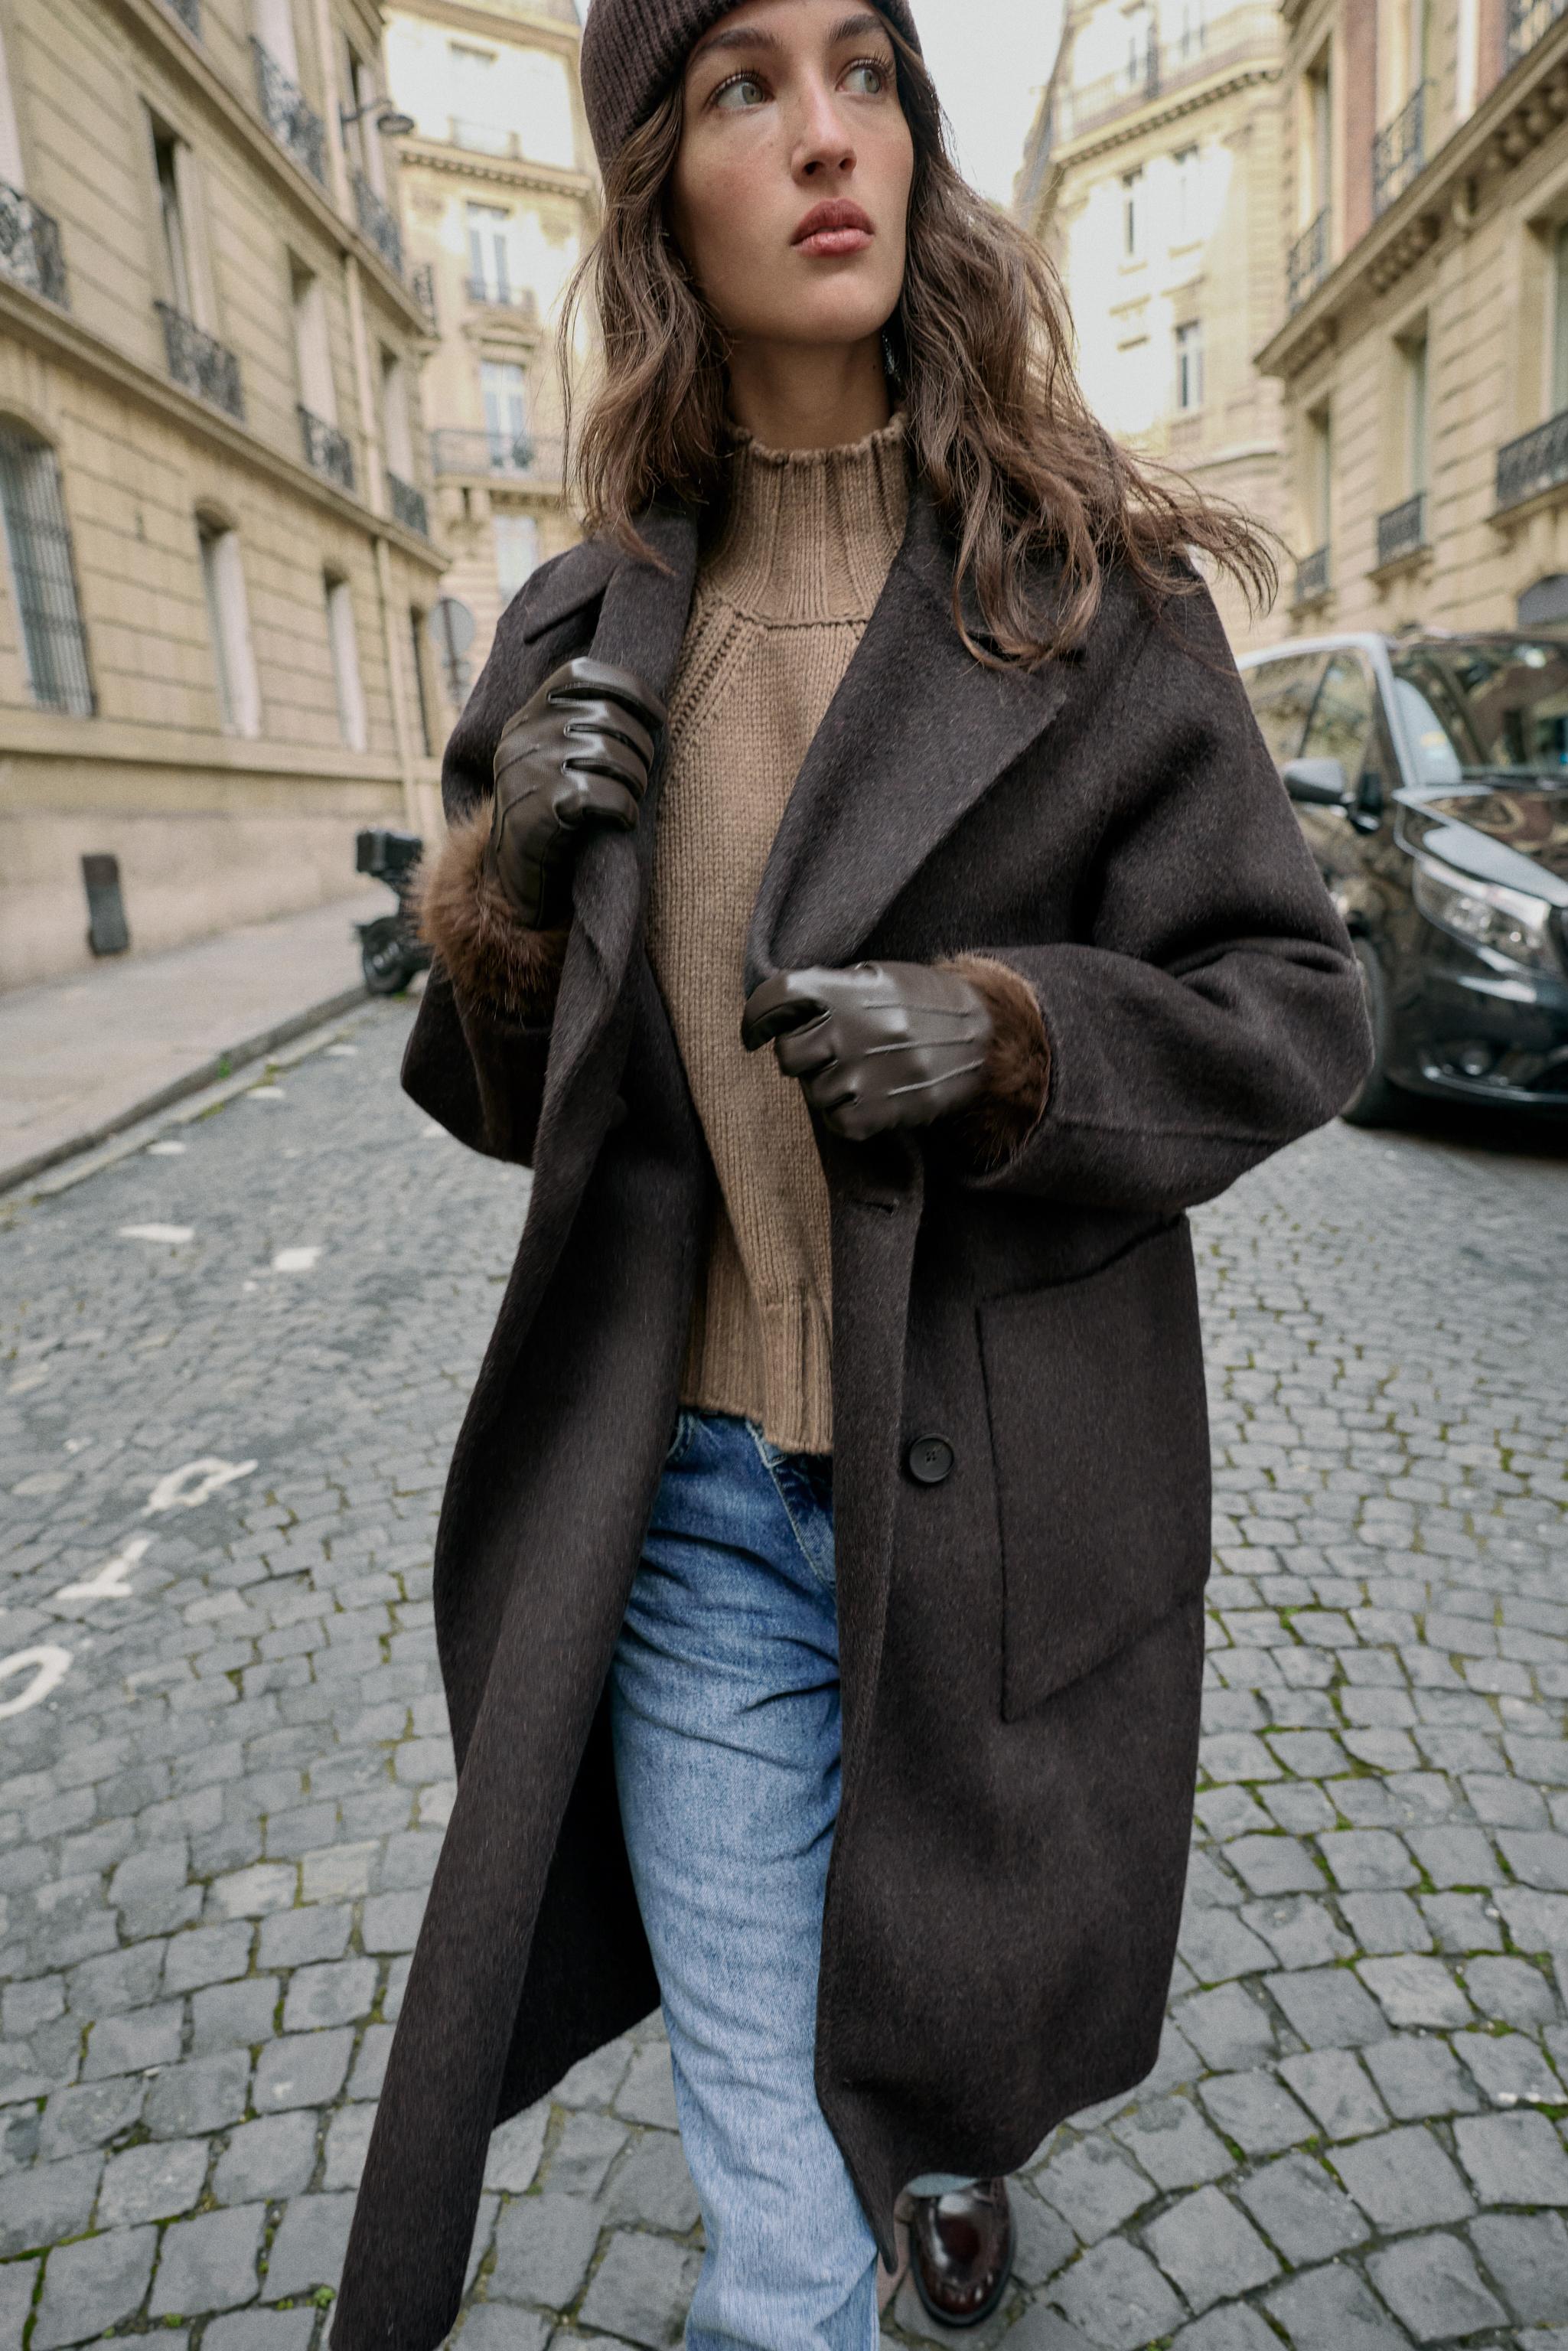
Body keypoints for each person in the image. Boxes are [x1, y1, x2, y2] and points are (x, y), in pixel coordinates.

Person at [331, 4, 1373, 2347]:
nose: (825, 135)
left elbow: (1291, 1007)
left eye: (864, 73)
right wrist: (505, 896)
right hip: (692, 1515)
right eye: (741, 88)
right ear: (656, 185)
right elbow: (498, 1102)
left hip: (1000, 1507)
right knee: (779, 2251)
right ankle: (860, 2210)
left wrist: (1014, 1040)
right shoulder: (579, 630)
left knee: (949, 2015)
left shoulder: (1087, 595)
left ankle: (946, 2145)